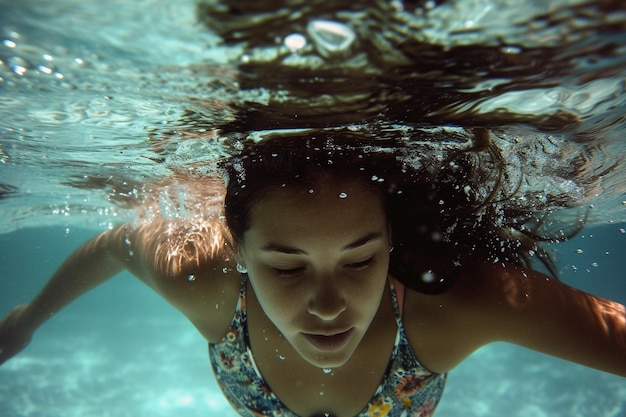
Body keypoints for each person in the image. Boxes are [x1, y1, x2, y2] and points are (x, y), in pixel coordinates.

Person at [0, 128, 624, 417]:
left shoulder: (450, 308)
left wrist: (29, 321)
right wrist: (27, 321)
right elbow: (116, 243)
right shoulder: (208, 279)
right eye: (286, 267)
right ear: (239, 253)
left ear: (391, 245)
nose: (329, 306)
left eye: (360, 259)